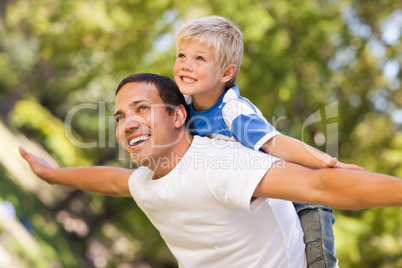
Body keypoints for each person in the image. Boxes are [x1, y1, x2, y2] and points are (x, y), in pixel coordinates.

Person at [20, 73, 402, 268]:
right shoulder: (150, 179)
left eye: (141, 109)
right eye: (120, 116)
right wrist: (53, 174)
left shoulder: (219, 163)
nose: (127, 123)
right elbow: (115, 182)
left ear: (177, 115)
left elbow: (319, 187)